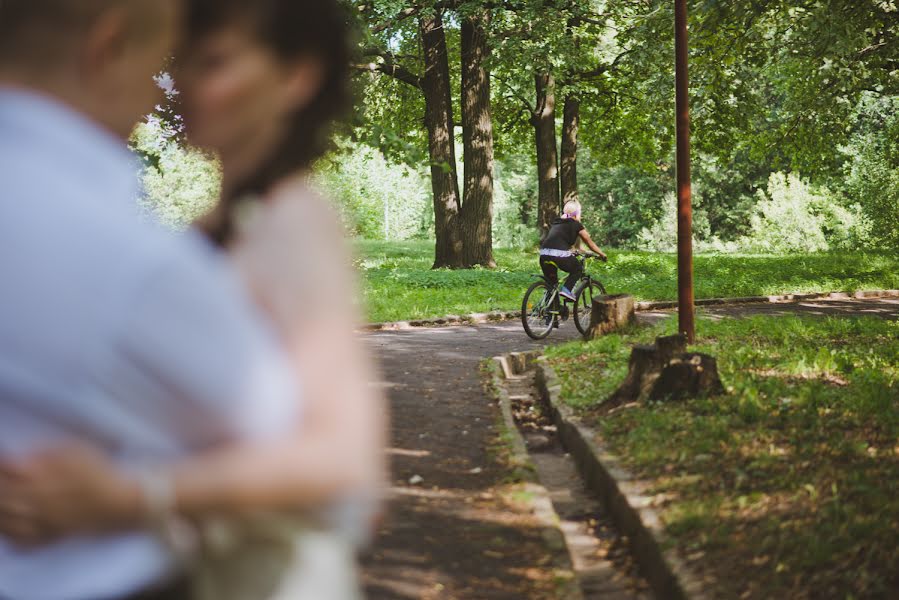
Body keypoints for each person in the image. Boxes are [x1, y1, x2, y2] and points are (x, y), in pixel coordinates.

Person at [0, 1, 387, 598]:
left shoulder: (295, 220)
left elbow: (344, 462)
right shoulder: (207, 222)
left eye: (214, 63)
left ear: (295, 78)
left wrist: (127, 497)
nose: (179, 87)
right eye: (181, 62)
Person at [539, 200, 608, 301]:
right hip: (559, 255)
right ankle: (567, 290)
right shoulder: (576, 224)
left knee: (552, 286)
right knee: (577, 269)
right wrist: (602, 254)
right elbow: (590, 243)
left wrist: (580, 252)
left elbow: (561, 241)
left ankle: (551, 312)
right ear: (577, 213)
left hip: (544, 254)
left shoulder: (557, 222)